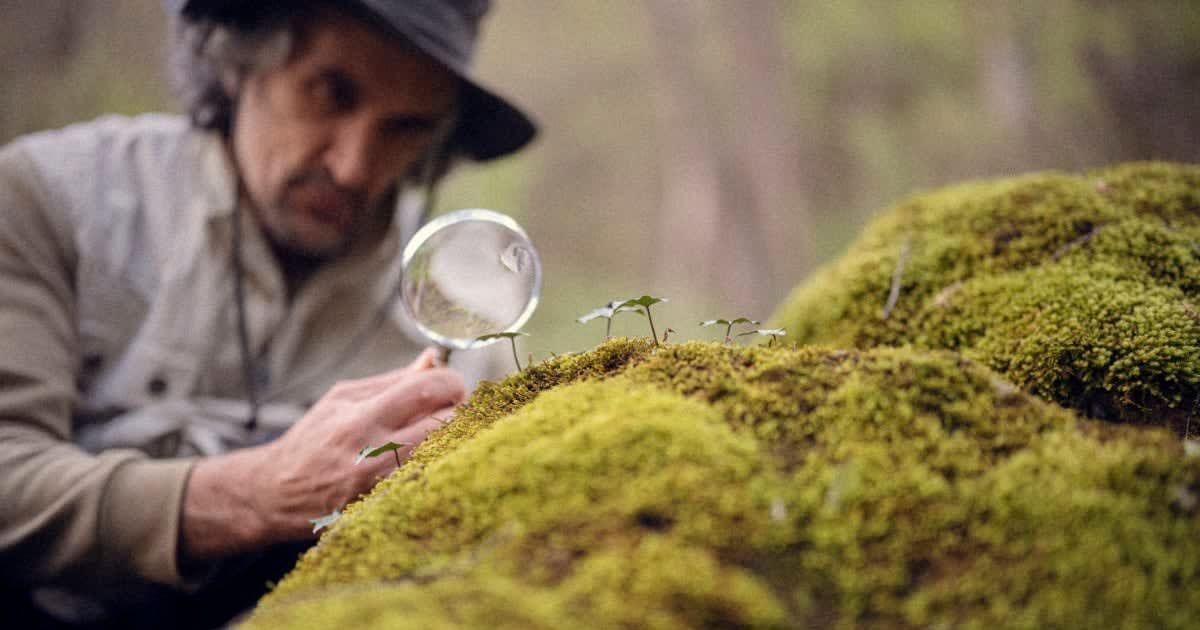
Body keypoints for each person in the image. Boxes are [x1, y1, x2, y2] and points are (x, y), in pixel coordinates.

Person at [0, 1, 536, 627]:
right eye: (330, 94)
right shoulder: (50, 203)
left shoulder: (468, 331)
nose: (354, 166)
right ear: (239, 58)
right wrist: (256, 495)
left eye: (405, 128)